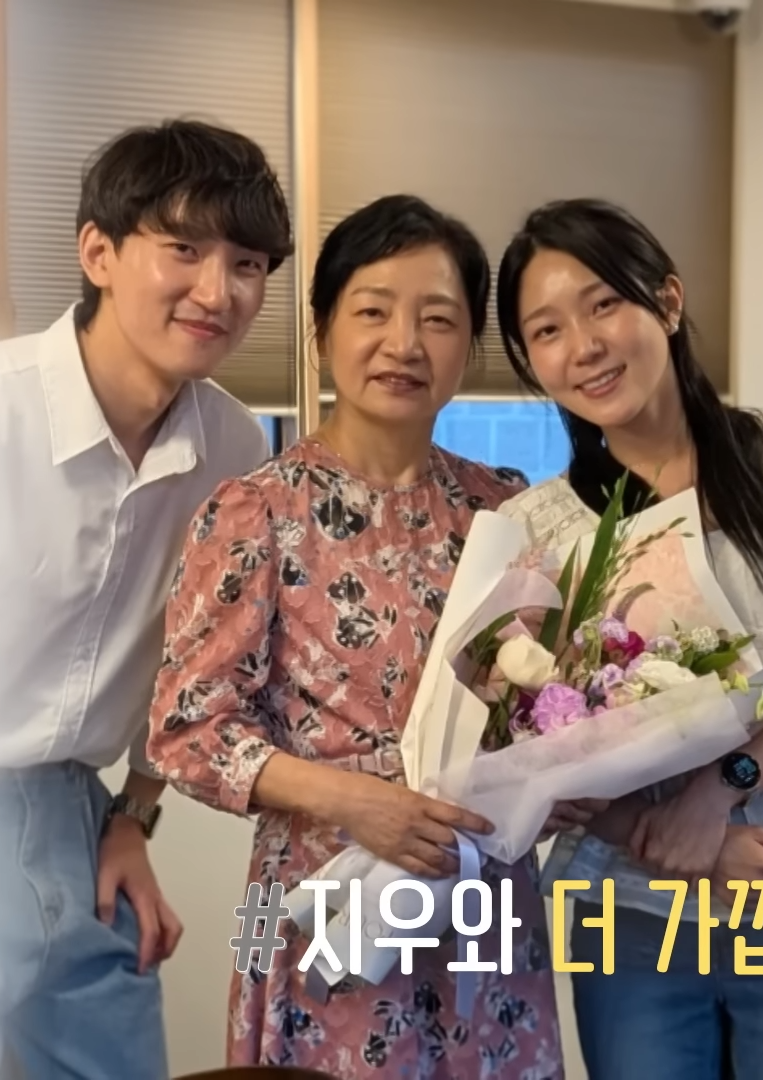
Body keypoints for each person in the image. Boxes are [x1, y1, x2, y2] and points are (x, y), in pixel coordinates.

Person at [0, 119, 292, 1079]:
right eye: (184, 249)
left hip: (83, 813)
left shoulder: (235, 447)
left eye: (247, 263)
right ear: (99, 253)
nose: (218, 291)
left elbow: (197, 652)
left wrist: (133, 817)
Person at [494, 198, 763, 1079]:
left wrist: (719, 792)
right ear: (532, 362)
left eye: (604, 303)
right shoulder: (541, 528)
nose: (584, 346)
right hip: (632, 909)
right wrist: (672, 833)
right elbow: (535, 748)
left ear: (669, 301)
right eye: (548, 330)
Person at [146, 196, 566, 1075]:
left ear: (470, 348)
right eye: (373, 311)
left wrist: (553, 781)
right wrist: (356, 801)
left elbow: (546, 705)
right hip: (313, 894)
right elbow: (188, 731)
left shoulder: (507, 509)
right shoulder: (253, 509)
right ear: (322, 333)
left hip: (479, 885)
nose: (404, 343)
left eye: (437, 319)